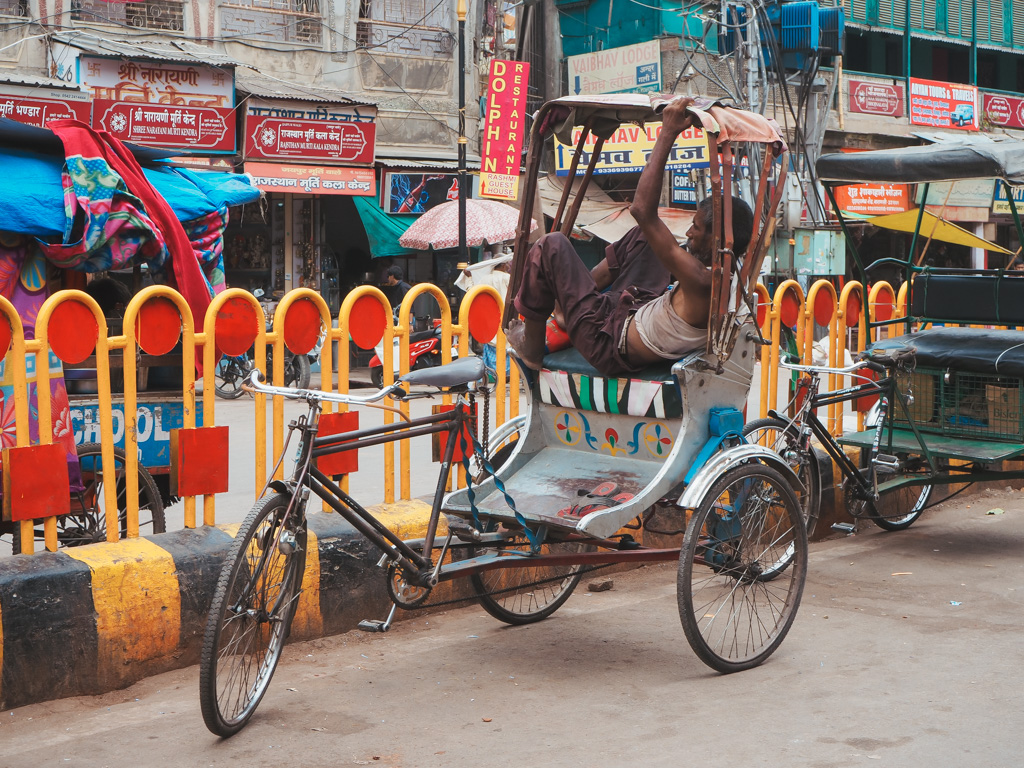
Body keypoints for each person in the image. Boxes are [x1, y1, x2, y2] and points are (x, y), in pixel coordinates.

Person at [507, 96, 754, 375]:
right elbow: (648, 227)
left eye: (695, 227)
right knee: (645, 236)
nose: (688, 232)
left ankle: (532, 348)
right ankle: (573, 309)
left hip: (606, 343)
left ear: (716, 239)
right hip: (631, 314)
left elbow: (642, 210)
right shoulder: (733, 272)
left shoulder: (701, 280)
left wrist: (668, 132)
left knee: (551, 245)